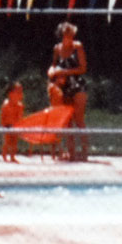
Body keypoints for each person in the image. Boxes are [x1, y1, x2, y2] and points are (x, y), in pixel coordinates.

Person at [48, 22, 88, 161]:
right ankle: (71, 153)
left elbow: (83, 68)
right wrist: (52, 72)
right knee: (68, 121)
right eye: (67, 35)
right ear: (62, 36)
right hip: (64, 86)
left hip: (77, 85)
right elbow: (53, 65)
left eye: (71, 35)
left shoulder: (78, 47)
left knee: (79, 119)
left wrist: (65, 72)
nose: (70, 38)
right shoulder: (57, 49)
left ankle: (84, 152)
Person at [0, 81, 24, 162]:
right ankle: (4, 156)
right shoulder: (6, 105)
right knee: (6, 142)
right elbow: (2, 116)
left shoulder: (20, 105)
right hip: (7, 125)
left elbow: (20, 117)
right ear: (10, 94)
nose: (20, 94)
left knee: (14, 142)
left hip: (15, 125)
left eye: (21, 92)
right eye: (17, 92)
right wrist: (3, 125)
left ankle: (12, 157)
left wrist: (19, 125)